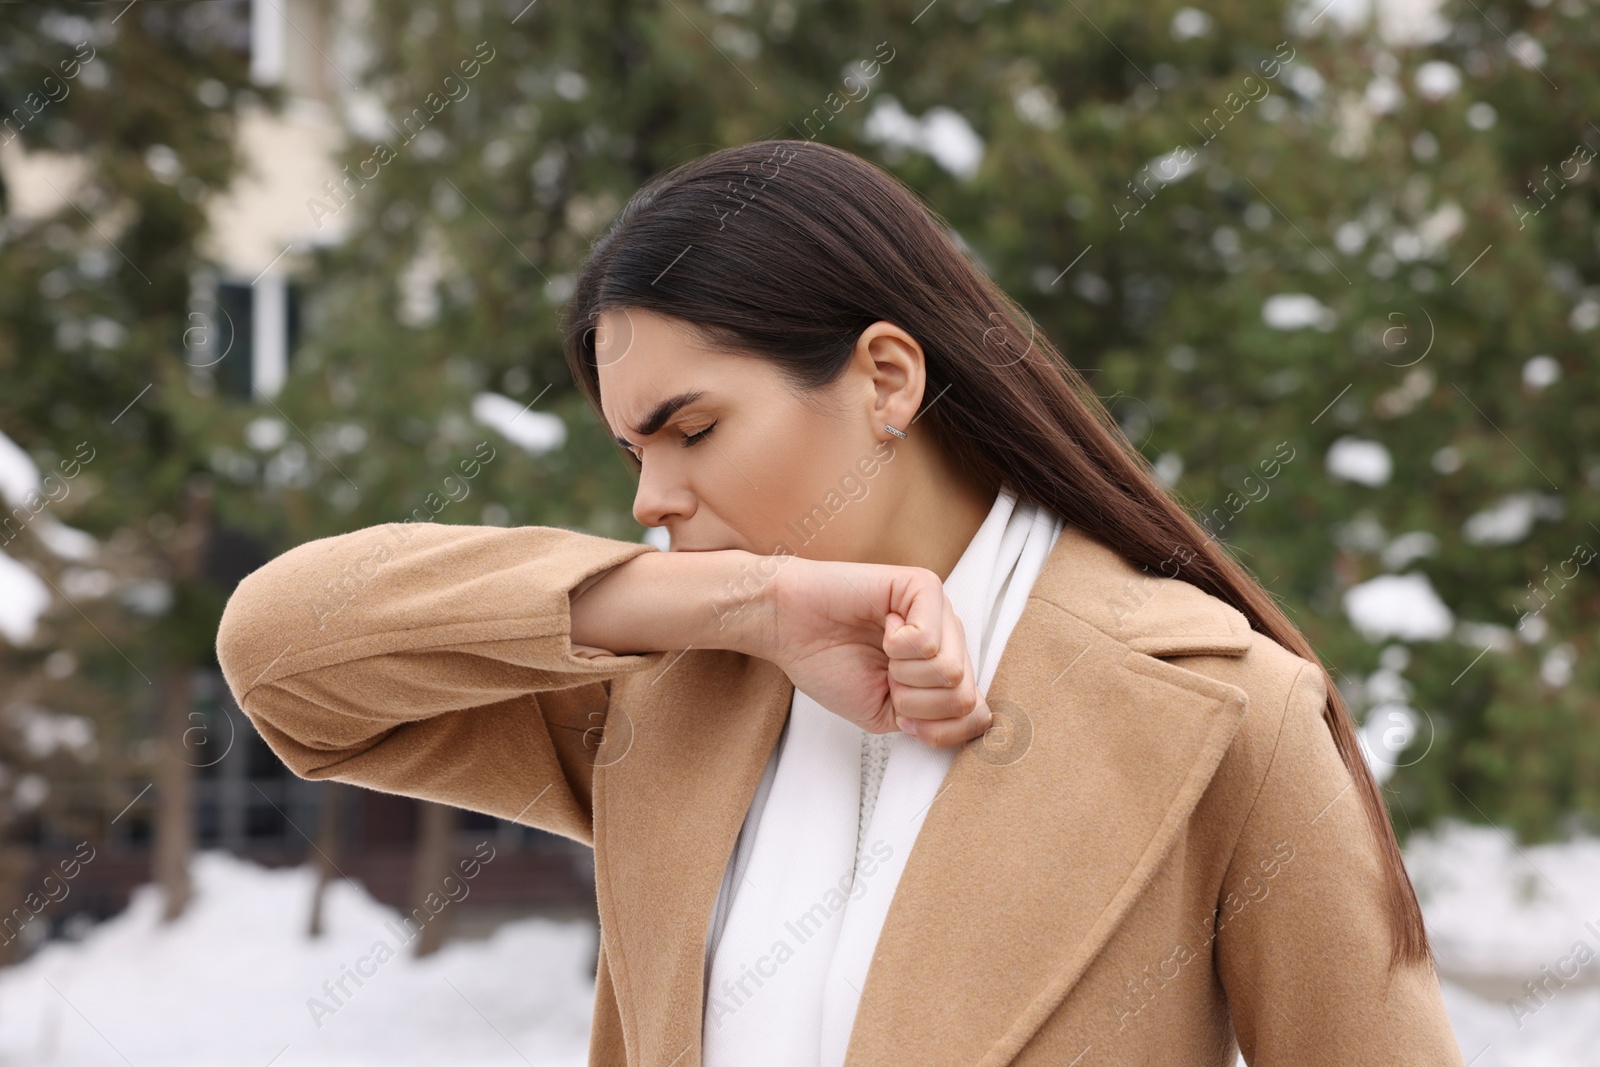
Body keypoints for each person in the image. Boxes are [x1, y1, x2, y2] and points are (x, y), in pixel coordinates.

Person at [214, 139, 1464, 1066]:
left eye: (691, 428)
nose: (655, 499)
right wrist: (753, 604)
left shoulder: (1217, 707)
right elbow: (285, 655)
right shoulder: (671, 681)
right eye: (630, 454)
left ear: (884, 376)